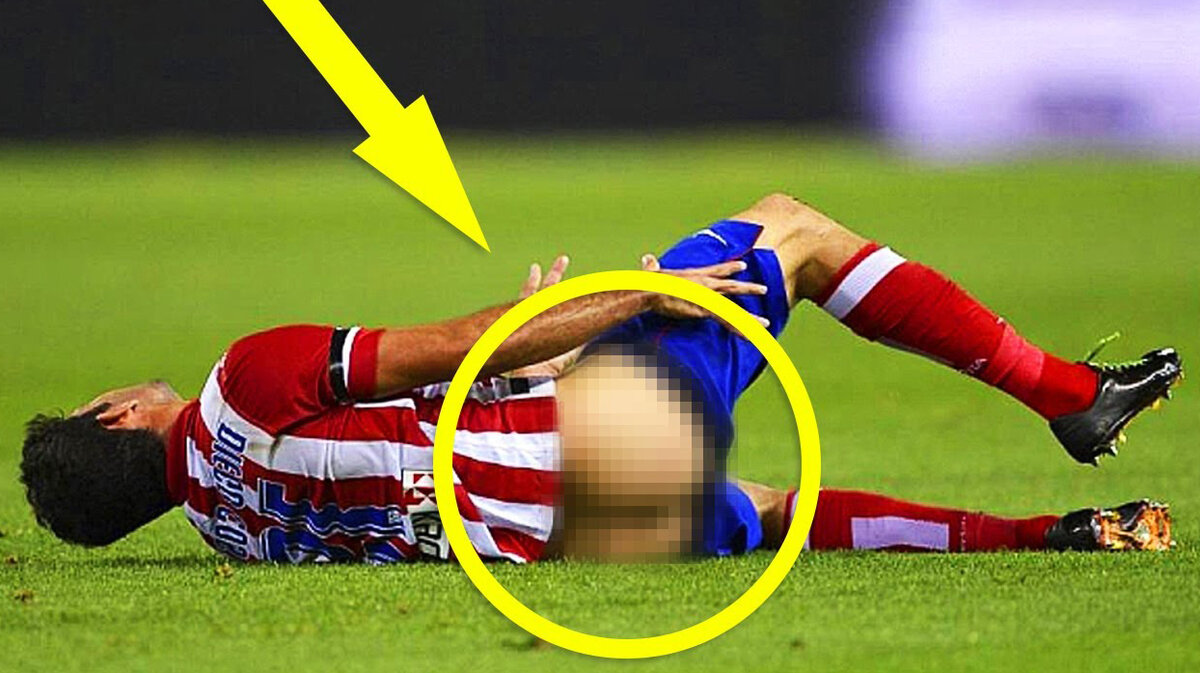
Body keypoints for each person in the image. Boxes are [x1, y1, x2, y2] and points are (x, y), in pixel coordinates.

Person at [20, 194, 1182, 562]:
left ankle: (1057, 535)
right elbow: (466, 342)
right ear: (115, 414)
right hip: (601, 424)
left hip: (581, 529)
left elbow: (406, 456)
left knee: (775, 511)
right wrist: (627, 298)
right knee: (791, 232)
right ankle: (1068, 397)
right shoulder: (242, 379)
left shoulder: (228, 529)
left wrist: (531, 361)